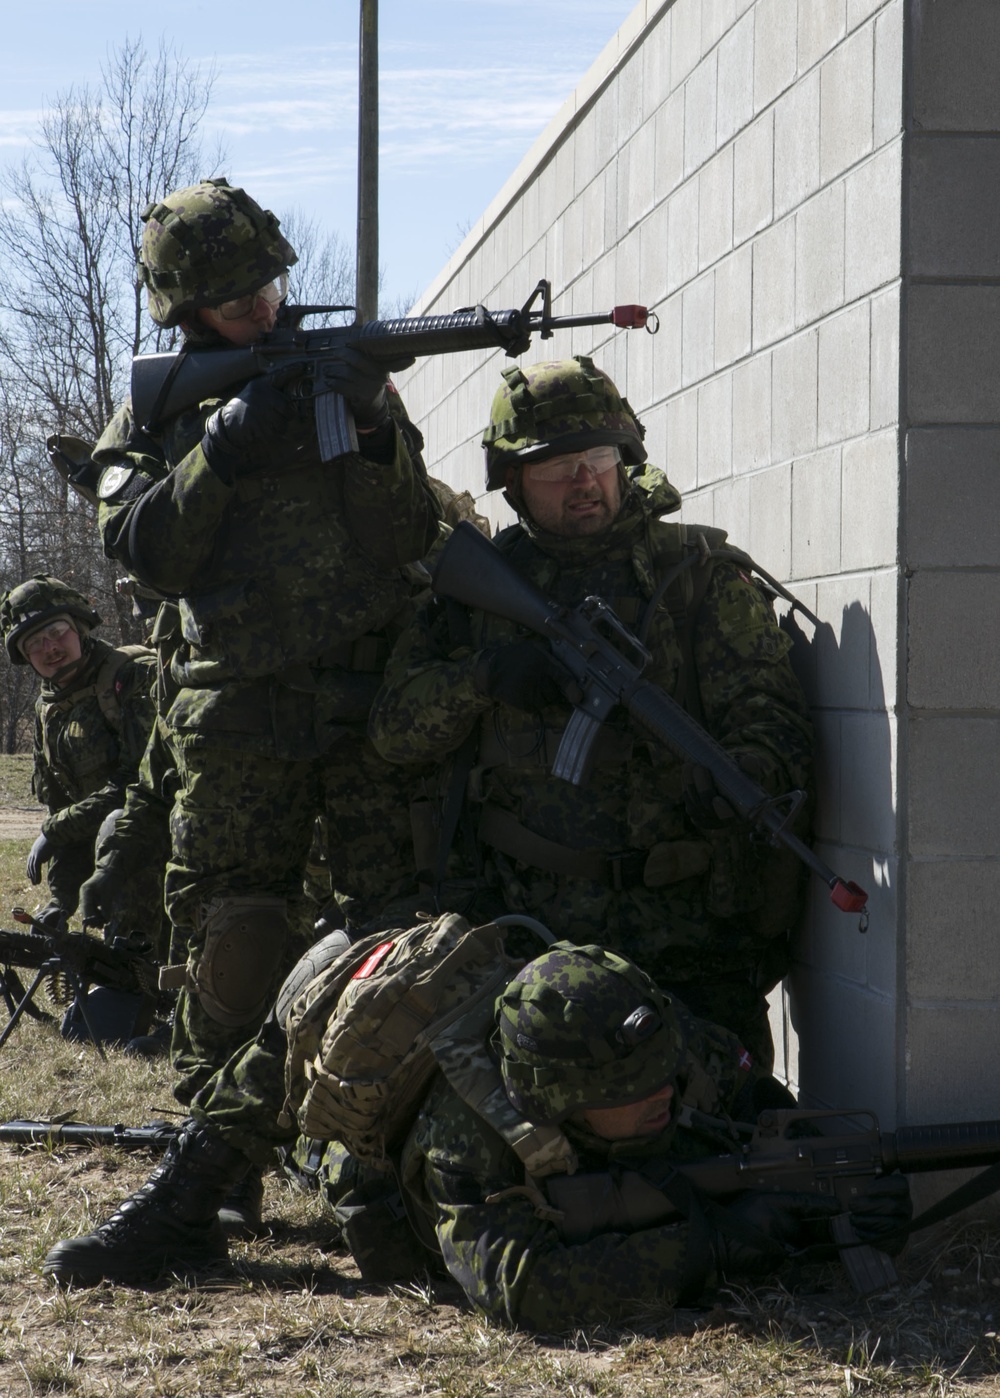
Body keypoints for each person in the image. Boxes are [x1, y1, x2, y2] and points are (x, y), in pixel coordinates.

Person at [87, 177, 440, 1225]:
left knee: (394, 933)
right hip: (234, 715)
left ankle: (380, 1163)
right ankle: (219, 1172)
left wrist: (375, 428)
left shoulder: (346, 379)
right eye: (234, 293)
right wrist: (223, 448)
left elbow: (409, 537)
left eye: (269, 284)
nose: (261, 306)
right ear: (182, 305)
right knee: (234, 941)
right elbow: (150, 552)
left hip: (371, 709)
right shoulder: (153, 413)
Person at [41, 940, 911, 1319]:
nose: (662, 1096)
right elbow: (526, 1289)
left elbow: (744, 1094)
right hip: (362, 1142)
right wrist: (719, 1247)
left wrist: (816, 1172)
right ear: (553, 1098)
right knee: (294, 1074)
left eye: (663, 1079)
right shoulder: (469, 1139)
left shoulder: (658, 1041)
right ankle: (180, 1205)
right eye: (629, 1093)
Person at [368, 356, 815, 1066]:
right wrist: (483, 677)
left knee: (721, 1124)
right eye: (556, 468)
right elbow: (393, 730)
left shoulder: (694, 575)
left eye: (599, 459)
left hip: (691, 936)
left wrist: (746, 771)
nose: (583, 481)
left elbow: (774, 710)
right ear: (512, 485)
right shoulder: (478, 593)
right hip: (527, 931)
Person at [0, 574, 161, 947]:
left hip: (159, 841)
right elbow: (63, 807)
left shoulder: (130, 675)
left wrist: (54, 830)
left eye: (57, 632)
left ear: (80, 627)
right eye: (35, 643)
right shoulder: (47, 710)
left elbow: (141, 787)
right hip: (111, 850)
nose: (50, 648)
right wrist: (62, 899)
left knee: (117, 824)